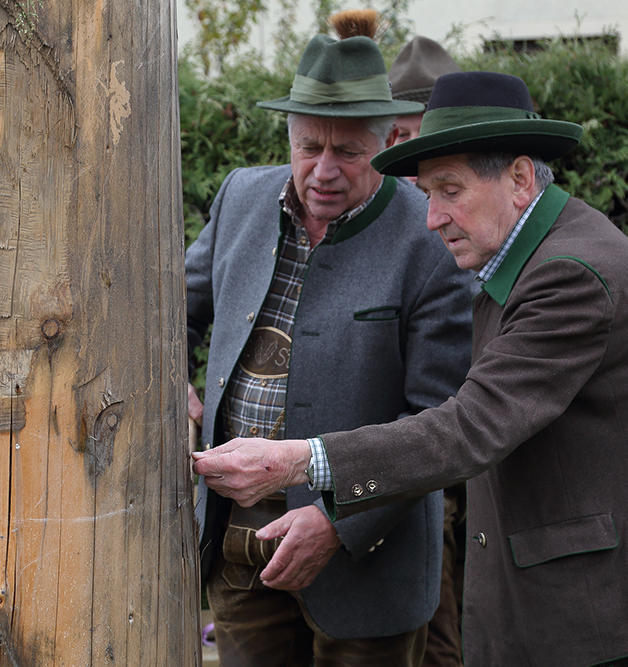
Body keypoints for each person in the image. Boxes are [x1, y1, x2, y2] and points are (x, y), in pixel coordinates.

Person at [193, 71, 628, 667]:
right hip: (597, 590)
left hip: (616, 603)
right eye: (428, 193)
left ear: (520, 179)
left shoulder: (570, 275)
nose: (432, 218)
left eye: (450, 191)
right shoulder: (530, 251)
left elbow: (469, 427)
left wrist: (298, 461)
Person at [186, 11, 473, 667]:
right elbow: (173, 308)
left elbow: (439, 422)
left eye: (348, 152)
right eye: (309, 146)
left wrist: (337, 522)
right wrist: (175, 383)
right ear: (289, 135)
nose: (323, 170)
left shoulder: (430, 238)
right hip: (239, 550)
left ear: (388, 144)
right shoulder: (241, 197)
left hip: (369, 566)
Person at [389, 35, 466, 667]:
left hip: (461, 461)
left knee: (447, 633)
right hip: (389, 462)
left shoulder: (478, 222)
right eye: (398, 141)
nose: (411, 164)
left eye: (424, 140)